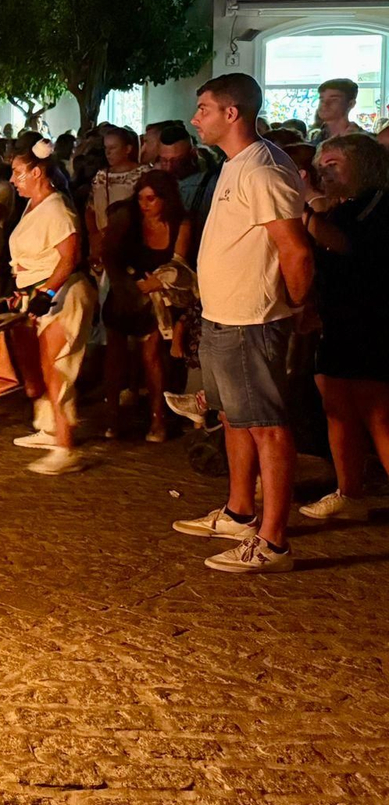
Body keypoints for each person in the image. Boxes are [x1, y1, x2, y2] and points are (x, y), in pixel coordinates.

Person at [172, 73, 312, 573]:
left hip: (251, 319)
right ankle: (239, 511)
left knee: (267, 425)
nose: (196, 119)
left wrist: (295, 310)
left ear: (232, 113)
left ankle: (272, 541)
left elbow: (296, 252)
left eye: (204, 108)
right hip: (223, 316)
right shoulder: (237, 164)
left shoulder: (263, 170)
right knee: (235, 417)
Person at [298, 133, 389, 522]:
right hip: (336, 321)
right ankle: (348, 490)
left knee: (377, 412)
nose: (324, 172)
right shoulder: (345, 205)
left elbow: (343, 244)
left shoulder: (379, 203)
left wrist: (303, 210)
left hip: (370, 320)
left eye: (333, 164)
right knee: (336, 406)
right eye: (322, 166)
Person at [8, 140, 96, 475]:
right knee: (46, 366)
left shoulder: (57, 207)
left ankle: (65, 446)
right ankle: (49, 429)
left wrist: (46, 292)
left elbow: (68, 257)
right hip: (45, 294)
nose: (13, 179)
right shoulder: (34, 205)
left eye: (18, 173)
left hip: (65, 295)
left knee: (57, 367)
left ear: (36, 171)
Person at [100, 170, 193, 442]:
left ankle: (157, 419)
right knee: (115, 357)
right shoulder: (126, 218)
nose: (145, 204)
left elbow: (180, 262)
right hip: (124, 290)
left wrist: (159, 282)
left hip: (157, 295)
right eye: (141, 198)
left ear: (166, 199)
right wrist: (129, 287)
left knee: (152, 356)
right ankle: (112, 417)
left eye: (151, 199)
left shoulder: (180, 223)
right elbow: (109, 255)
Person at [85, 126, 146, 269]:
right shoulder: (100, 176)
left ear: (128, 149)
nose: (108, 153)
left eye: (113, 148)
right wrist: (94, 235)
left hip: (128, 242)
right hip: (102, 242)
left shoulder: (141, 174)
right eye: (106, 148)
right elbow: (90, 208)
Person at [312, 78, 363, 143]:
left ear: (351, 104)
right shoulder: (316, 139)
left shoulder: (363, 142)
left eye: (334, 100)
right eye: (322, 100)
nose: (325, 104)